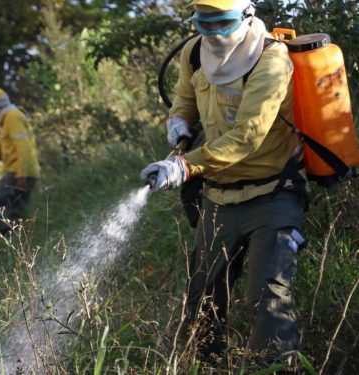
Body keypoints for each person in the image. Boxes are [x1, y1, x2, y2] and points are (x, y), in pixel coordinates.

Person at [140, 0, 307, 367]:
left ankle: (275, 369)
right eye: (205, 22)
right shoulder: (194, 52)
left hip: (272, 195)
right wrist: (179, 121)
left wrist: (186, 165)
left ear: (246, 17)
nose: (213, 31)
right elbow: (185, 98)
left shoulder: (271, 59)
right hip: (217, 198)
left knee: (267, 298)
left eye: (223, 23)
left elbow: (248, 136)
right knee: (201, 301)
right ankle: (206, 367)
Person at [0, 88, 40, 234]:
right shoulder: (7, 119)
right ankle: (20, 242)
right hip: (22, 172)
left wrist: (21, 175)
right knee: (17, 212)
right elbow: (4, 149)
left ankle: (7, 235)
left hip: (20, 172)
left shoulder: (12, 117)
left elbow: (23, 147)